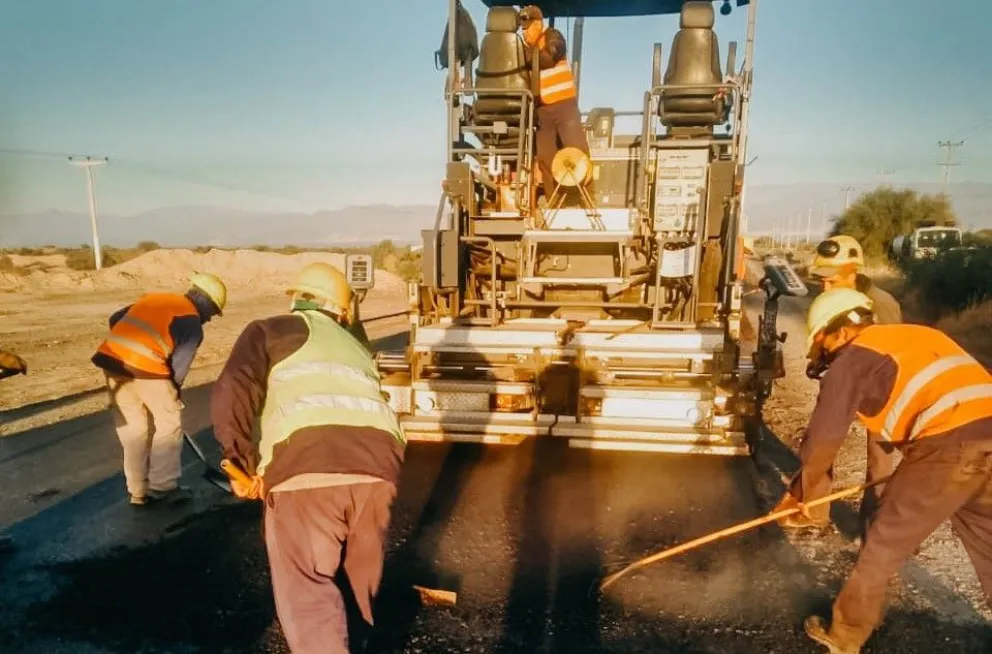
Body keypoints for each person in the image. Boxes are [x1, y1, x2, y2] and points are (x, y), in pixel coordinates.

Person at [774, 287, 992, 654]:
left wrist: (804, 495)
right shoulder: (920, 335)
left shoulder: (853, 357)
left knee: (882, 541)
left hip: (948, 443)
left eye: (825, 345)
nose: (826, 355)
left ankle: (845, 636)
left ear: (841, 330)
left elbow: (824, 439)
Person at [211, 262, 406, 654]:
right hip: (379, 470)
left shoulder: (269, 330)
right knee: (359, 578)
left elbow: (234, 387)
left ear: (297, 299)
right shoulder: (355, 346)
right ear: (343, 310)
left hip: (305, 470)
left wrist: (239, 461)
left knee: (308, 588)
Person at [784, 235, 904, 534]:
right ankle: (813, 511)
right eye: (822, 280)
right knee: (822, 441)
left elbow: (895, 353)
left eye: (832, 280)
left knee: (881, 458)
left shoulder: (883, 305)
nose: (825, 286)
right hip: (843, 383)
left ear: (853, 270)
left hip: (882, 391)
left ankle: (873, 525)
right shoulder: (830, 299)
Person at [92, 272, 227, 505]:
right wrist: (173, 394)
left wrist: (132, 343)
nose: (210, 318)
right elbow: (178, 370)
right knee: (168, 424)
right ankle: (163, 486)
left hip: (113, 363)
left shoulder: (155, 299)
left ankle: (138, 490)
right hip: (148, 369)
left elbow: (116, 318)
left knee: (134, 429)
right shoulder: (192, 323)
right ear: (205, 302)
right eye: (213, 312)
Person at [518, 5, 590, 201]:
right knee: (545, 158)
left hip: (564, 106)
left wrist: (527, 55)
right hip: (543, 113)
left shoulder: (552, 36)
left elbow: (550, 56)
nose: (524, 33)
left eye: (527, 28)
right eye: (521, 29)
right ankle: (553, 202)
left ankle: (587, 200)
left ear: (538, 24)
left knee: (576, 152)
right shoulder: (524, 50)